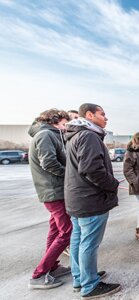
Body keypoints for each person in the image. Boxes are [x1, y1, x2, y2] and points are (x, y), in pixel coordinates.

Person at [64, 103, 121, 298]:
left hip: (77, 198)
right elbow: (92, 169)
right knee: (88, 243)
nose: (106, 118)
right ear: (89, 115)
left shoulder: (75, 135)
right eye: (102, 114)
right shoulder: (88, 136)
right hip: (90, 199)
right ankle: (90, 285)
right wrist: (112, 184)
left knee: (78, 239)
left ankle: (80, 277)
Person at [27, 109, 72, 290]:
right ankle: (38, 275)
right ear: (55, 120)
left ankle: (52, 267)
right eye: (64, 123)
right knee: (67, 231)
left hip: (55, 191)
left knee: (55, 230)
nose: (65, 126)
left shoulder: (49, 134)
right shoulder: (45, 134)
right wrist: (70, 175)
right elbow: (49, 163)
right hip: (54, 192)